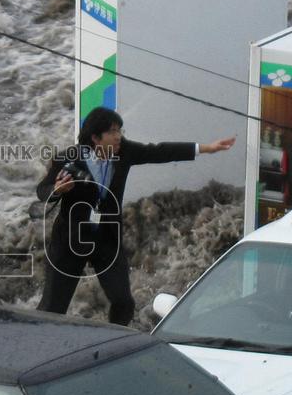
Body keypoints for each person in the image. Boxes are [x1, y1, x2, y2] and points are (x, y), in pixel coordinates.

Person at [36, 106, 235, 327]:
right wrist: (58, 190)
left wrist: (206, 149)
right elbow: (42, 191)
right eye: (112, 131)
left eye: (120, 130)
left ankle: (110, 344)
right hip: (70, 241)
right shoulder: (68, 158)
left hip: (107, 240)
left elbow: (159, 152)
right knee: (53, 308)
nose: (119, 136)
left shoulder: (124, 151)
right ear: (95, 137)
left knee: (124, 303)